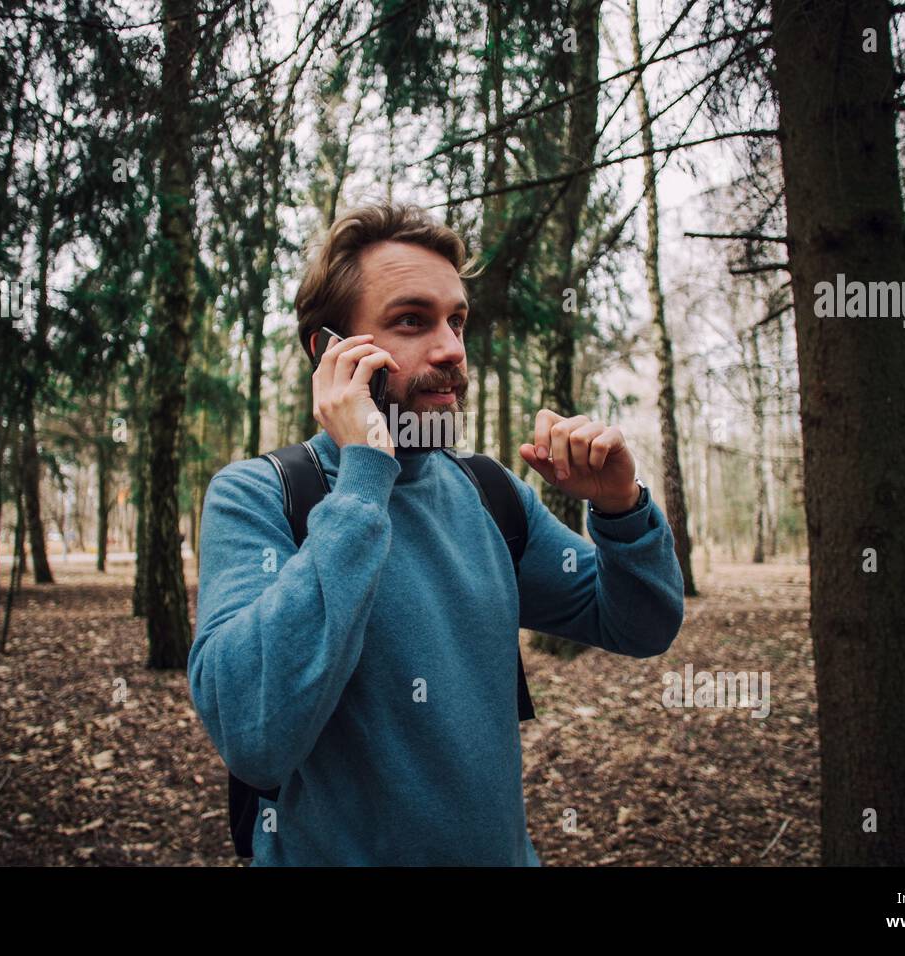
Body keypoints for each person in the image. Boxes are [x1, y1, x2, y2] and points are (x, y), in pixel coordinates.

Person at [188, 202, 684, 865]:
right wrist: (365, 477)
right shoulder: (260, 497)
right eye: (412, 321)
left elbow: (642, 626)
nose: (452, 348)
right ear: (330, 355)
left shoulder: (488, 493)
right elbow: (254, 734)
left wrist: (623, 510)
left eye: (457, 320)